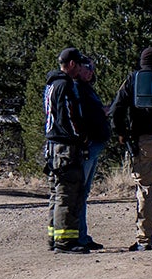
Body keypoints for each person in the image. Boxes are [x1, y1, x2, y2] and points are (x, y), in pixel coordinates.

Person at [40, 47, 112, 254]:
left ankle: (55, 238)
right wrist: (82, 138)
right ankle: (65, 242)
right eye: (79, 64)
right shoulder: (65, 86)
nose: (81, 68)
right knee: (66, 194)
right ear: (71, 64)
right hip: (64, 147)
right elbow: (69, 118)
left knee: (57, 193)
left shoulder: (52, 84)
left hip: (54, 147)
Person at [114, 49, 152, 250]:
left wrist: (121, 133)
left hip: (144, 140)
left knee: (145, 190)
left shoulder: (133, 80)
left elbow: (117, 108)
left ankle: (144, 240)